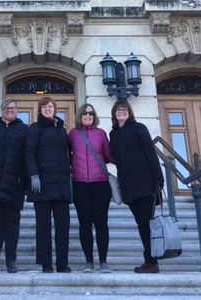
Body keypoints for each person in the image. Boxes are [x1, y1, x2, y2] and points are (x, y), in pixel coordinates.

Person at [108, 100, 164, 274]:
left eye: (124, 109)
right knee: (140, 223)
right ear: (114, 113)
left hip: (145, 182)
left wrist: (159, 179)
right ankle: (150, 259)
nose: (121, 111)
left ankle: (151, 260)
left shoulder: (139, 128)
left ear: (130, 112)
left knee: (147, 222)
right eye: (118, 109)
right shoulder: (113, 133)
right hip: (128, 185)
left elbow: (150, 153)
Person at [25, 96, 72, 273]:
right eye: (44, 106)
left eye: (50, 106)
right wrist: (34, 175)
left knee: (63, 228)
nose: (47, 109)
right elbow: (29, 152)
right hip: (42, 185)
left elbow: (68, 153)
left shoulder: (61, 130)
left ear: (55, 109)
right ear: (40, 110)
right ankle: (46, 263)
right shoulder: (35, 128)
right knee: (43, 227)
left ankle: (62, 263)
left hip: (61, 185)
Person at [68, 103, 113, 273]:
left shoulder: (101, 134)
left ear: (94, 116)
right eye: (85, 113)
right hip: (80, 184)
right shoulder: (72, 134)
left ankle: (103, 261)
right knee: (84, 223)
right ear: (80, 115)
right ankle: (89, 262)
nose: (88, 116)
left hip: (100, 183)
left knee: (101, 223)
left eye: (91, 113)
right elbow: (66, 154)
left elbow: (109, 156)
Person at [0, 99, 28, 273]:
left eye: (13, 108)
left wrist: (24, 182)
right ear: (2, 110)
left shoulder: (24, 130)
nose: (10, 110)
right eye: (7, 108)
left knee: (12, 225)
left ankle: (11, 260)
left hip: (15, 186)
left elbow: (27, 157)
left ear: (17, 111)